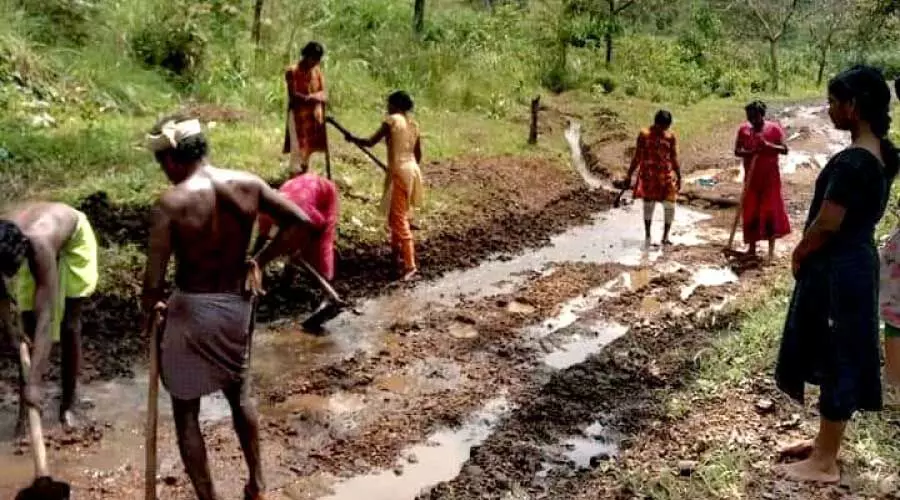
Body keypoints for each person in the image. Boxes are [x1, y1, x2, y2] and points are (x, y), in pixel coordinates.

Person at [142, 115, 322, 500]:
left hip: (192, 309)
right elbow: (303, 224)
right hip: (237, 306)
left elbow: (153, 283)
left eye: (163, 164)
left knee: (185, 410)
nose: (165, 173)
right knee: (239, 394)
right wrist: (259, 258)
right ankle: (257, 484)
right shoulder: (249, 185)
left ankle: (210, 498)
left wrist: (151, 311)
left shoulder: (171, 204)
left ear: (173, 159)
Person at [775, 65, 898, 484]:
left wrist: (800, 252)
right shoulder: (883, 153)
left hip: (838, 269)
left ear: (855, 106)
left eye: (833, 102)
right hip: (857, 262)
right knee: (841, 351)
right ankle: (824, 444)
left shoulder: (852, 164)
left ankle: (824, 462)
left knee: (837, 354)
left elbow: (827, 224)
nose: (829, 110)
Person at [0, 203, 98, 432]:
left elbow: (47, 317)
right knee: (27, 326)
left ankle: (69, 403)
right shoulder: (4, 241)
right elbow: (0, 292)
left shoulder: (39, 245)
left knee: (68, 325)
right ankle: (26, 413)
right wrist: (11, 330)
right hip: (29, 239)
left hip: (72, 238)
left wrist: (35, 383)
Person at [344, 91, 424, 281]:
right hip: (412, 171)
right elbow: (418, 154)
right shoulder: (414, 124)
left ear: (395, 105)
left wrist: (352, 137)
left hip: (399, 173)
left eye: (389, 104)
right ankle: (395, 260)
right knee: (397, 216)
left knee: (398, 219)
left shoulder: (391, 120)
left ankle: (410, 266)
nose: (387, 107)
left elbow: (370, 142)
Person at [253, 164, 343, 330]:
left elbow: (320, 226)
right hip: (300, 193)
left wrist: (302, 246)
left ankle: (327, 292)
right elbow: (261, 242)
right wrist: (255, 265)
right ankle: (286, 284)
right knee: (289, 243)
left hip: (322, 193)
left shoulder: (303, 211)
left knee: (321, 245)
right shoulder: (265, 213)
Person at [734, 101, 791, 261]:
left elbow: (784, 149)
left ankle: (770, 253)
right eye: (749, 117)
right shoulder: (744, 130)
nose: (752, 120)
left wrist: (767, 146)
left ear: (762, 115)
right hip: (751, 180)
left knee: (770, 211)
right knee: (751, 211)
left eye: (755, 116)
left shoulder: (773, 129)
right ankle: (751, 248)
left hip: (770, 179)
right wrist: (750, 152)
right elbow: (737, 151)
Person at [623, 110, 682, 246]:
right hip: (649, 177)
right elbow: (637, 156)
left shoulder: (670, 137)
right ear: (657, 124)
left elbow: (673, 157)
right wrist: (629, 174)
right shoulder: (645, 135)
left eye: (666, 127)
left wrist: (679, 175)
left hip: (666, 176)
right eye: (663, 126)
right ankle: (648, 234)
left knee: (670, 205)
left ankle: (665, 237)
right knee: (648, 206)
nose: (664, 129)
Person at [283, 41, 328, 175]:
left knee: (308, 150)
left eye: (317, 60)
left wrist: (317, 98)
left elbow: (323, 92)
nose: (315, 62)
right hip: (298, 116)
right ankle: (293, 180)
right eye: (313, 59)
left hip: (313, 116)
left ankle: (304, 177)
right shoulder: (292, 71)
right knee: (297, 149)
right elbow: (294, 96)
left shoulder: (317, 71)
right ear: (306, 56)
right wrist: (311, 98)